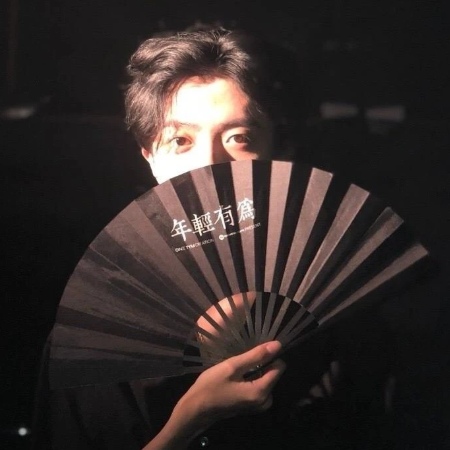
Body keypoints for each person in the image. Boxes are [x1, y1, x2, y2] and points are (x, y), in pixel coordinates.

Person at [31, 28, 394, 450]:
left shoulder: (340, 306)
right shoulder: (97, 330)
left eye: (238, 138)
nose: (209, 165)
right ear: (150, 158)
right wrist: (190, 423)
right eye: (180, 141)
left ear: (278, 152)